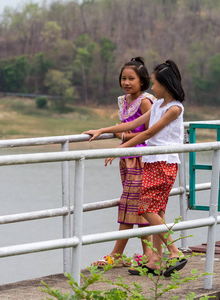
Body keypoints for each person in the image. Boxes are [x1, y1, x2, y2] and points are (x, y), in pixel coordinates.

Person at [83, 60, 187, 277]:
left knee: (146, 207)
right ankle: (155, 260)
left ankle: (175, 252)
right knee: (156, 210)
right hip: (151, 161)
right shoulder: (158, 105)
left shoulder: (174, 109)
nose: (153, 87)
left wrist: (119, 149)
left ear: (165, 85)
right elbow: (131, 125)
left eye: (155, 83)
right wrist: (103, 129)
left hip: (164, 162)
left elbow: (148, 134)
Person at [91, 57, 155, 269]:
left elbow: (148, 132)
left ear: (142, 81)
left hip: (141, 158)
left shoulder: (145, 101)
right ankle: (147, 254)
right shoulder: (124, 100)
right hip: (127, 159)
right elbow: (124, 126)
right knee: (136, 205)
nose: (126, 82)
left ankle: (117, 255)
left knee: (131, 204)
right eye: (123, 78)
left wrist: (123, 138)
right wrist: (104, 130)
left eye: (131, 79)